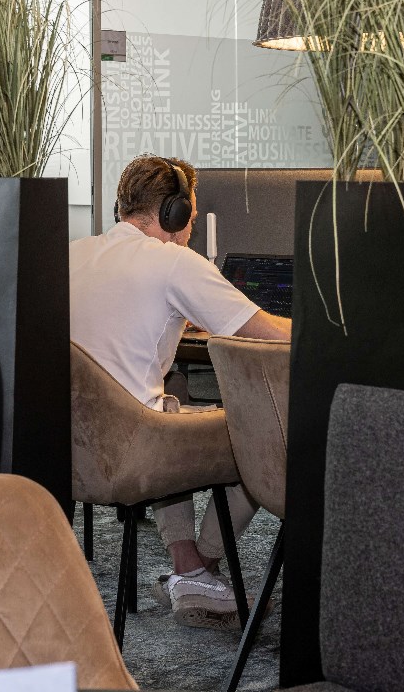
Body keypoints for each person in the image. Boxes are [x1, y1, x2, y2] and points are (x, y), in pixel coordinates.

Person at [70, 154, 291, 629]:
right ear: (176, 213)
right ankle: (200, 570)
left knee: (174, 391)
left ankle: (188, 566)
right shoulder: (173, 262)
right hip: (135, 451)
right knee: (260, 432)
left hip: (72, 451)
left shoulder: (73, 253)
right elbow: (266, 334)